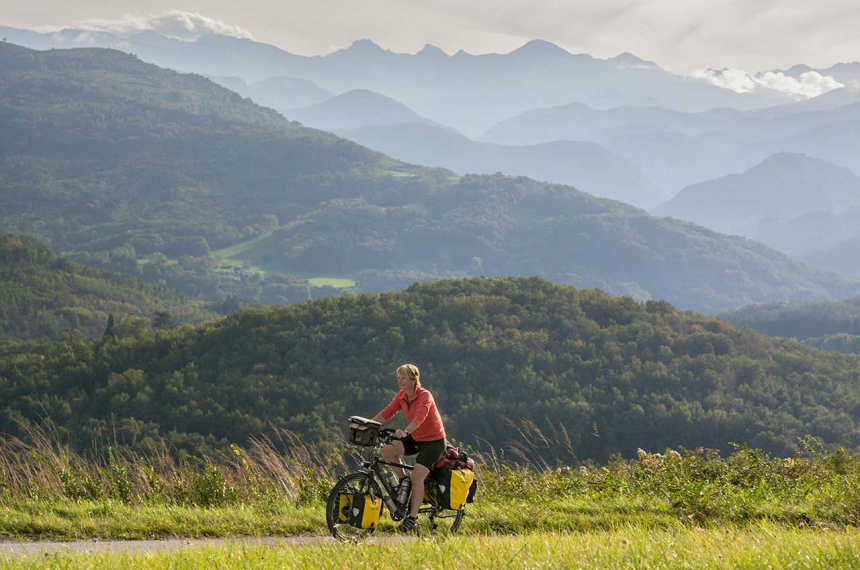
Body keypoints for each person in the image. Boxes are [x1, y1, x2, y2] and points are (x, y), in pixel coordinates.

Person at [371, 363, 446, 532]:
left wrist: (405, 431)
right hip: (417, 437)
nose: (400, 381)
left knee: (417, 477)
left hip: (434, 441)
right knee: (387, 450)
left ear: (414, 379)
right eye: (398, 378)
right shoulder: (402, 395)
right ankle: (403, 481)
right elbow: (388, 411)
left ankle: (412, 518)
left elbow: (421, 416)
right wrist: (369, 425)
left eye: (403, 377)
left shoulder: (425, 395)